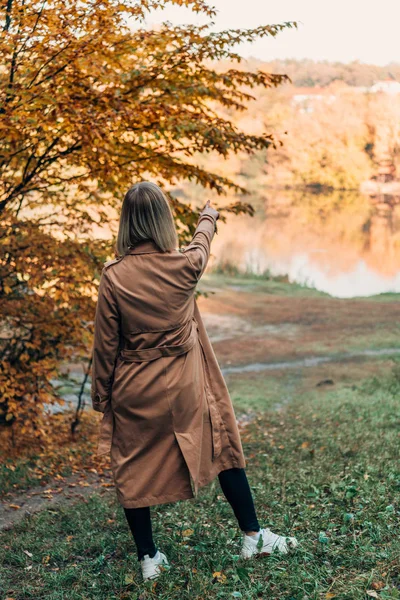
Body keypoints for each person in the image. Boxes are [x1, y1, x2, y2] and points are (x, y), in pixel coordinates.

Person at [90, 181, 298, 582]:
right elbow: (200, 248)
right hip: (186, 385)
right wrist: (208, 217)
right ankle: (253, 536)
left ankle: (149, 558)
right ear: (163, 220)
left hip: (134, 388)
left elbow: (105, 345)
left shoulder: (114, 276)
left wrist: (102, 395)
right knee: (222, 443)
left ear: (126, 223)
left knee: (132, 467)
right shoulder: (182, 266)